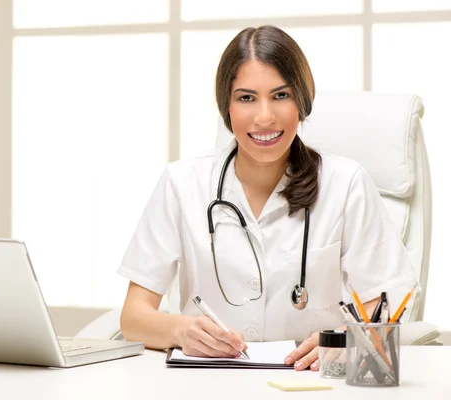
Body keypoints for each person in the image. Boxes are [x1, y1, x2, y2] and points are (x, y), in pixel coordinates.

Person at [116, 25, 418, 372]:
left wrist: (341, 340)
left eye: (281, 95)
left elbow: (386, 308)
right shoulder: (182, 183)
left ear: (302, 102)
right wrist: (181, 329)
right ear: (226, 106)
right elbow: (133, 318)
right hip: (207, 384)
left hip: (311, 382)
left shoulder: (345, 183)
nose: (264, 117)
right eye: (246, 98)